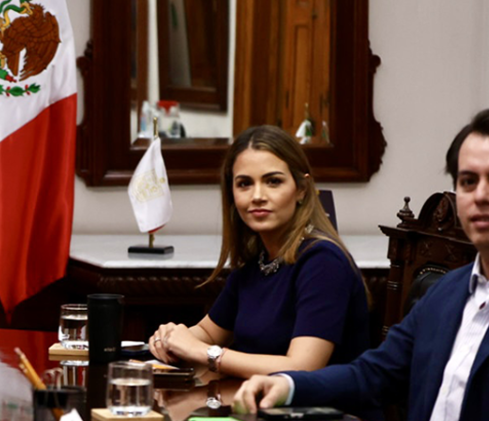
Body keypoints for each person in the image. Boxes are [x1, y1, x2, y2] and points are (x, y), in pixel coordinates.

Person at [234, 109, 489, 421]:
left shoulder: (323, 260)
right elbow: (374, 374)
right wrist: (287, 386)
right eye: (467, 181)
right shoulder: (447, 293)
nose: (480, 196)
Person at [147, 125, 370, 378]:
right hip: (258, 408)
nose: (258, 196)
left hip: (328, 413)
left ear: (301, 189)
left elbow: (303, 369)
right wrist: (171, 337)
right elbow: (207, 333)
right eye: (244, 184)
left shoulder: (323, 262)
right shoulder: (257, 262)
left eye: (273, 181)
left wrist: (205, 353)